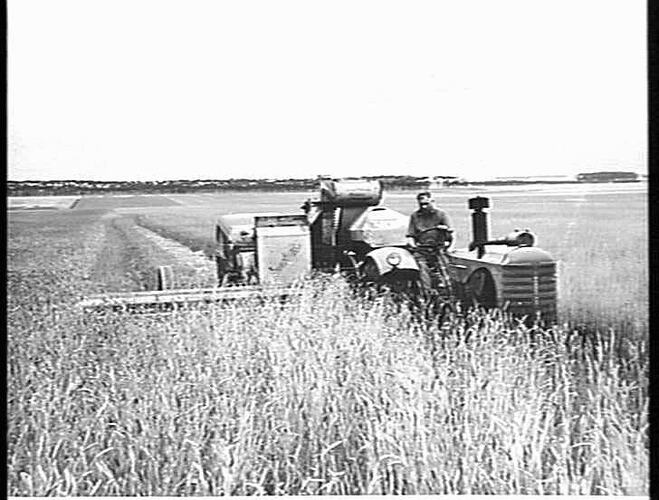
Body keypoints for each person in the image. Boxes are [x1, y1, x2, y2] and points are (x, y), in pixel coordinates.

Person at [407, 191, 453, 291]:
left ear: (433, 201)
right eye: (421, 204)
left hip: (439, 248)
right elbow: (410, 235)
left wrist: (448, 244)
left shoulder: (441, 214)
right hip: (422, 249)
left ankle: (449, 289)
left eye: (426, 204)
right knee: (421, 267)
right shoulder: (415, 216)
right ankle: (426, 292)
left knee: (446, 266)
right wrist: (412, 244)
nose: (423, 207)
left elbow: (451, 233)